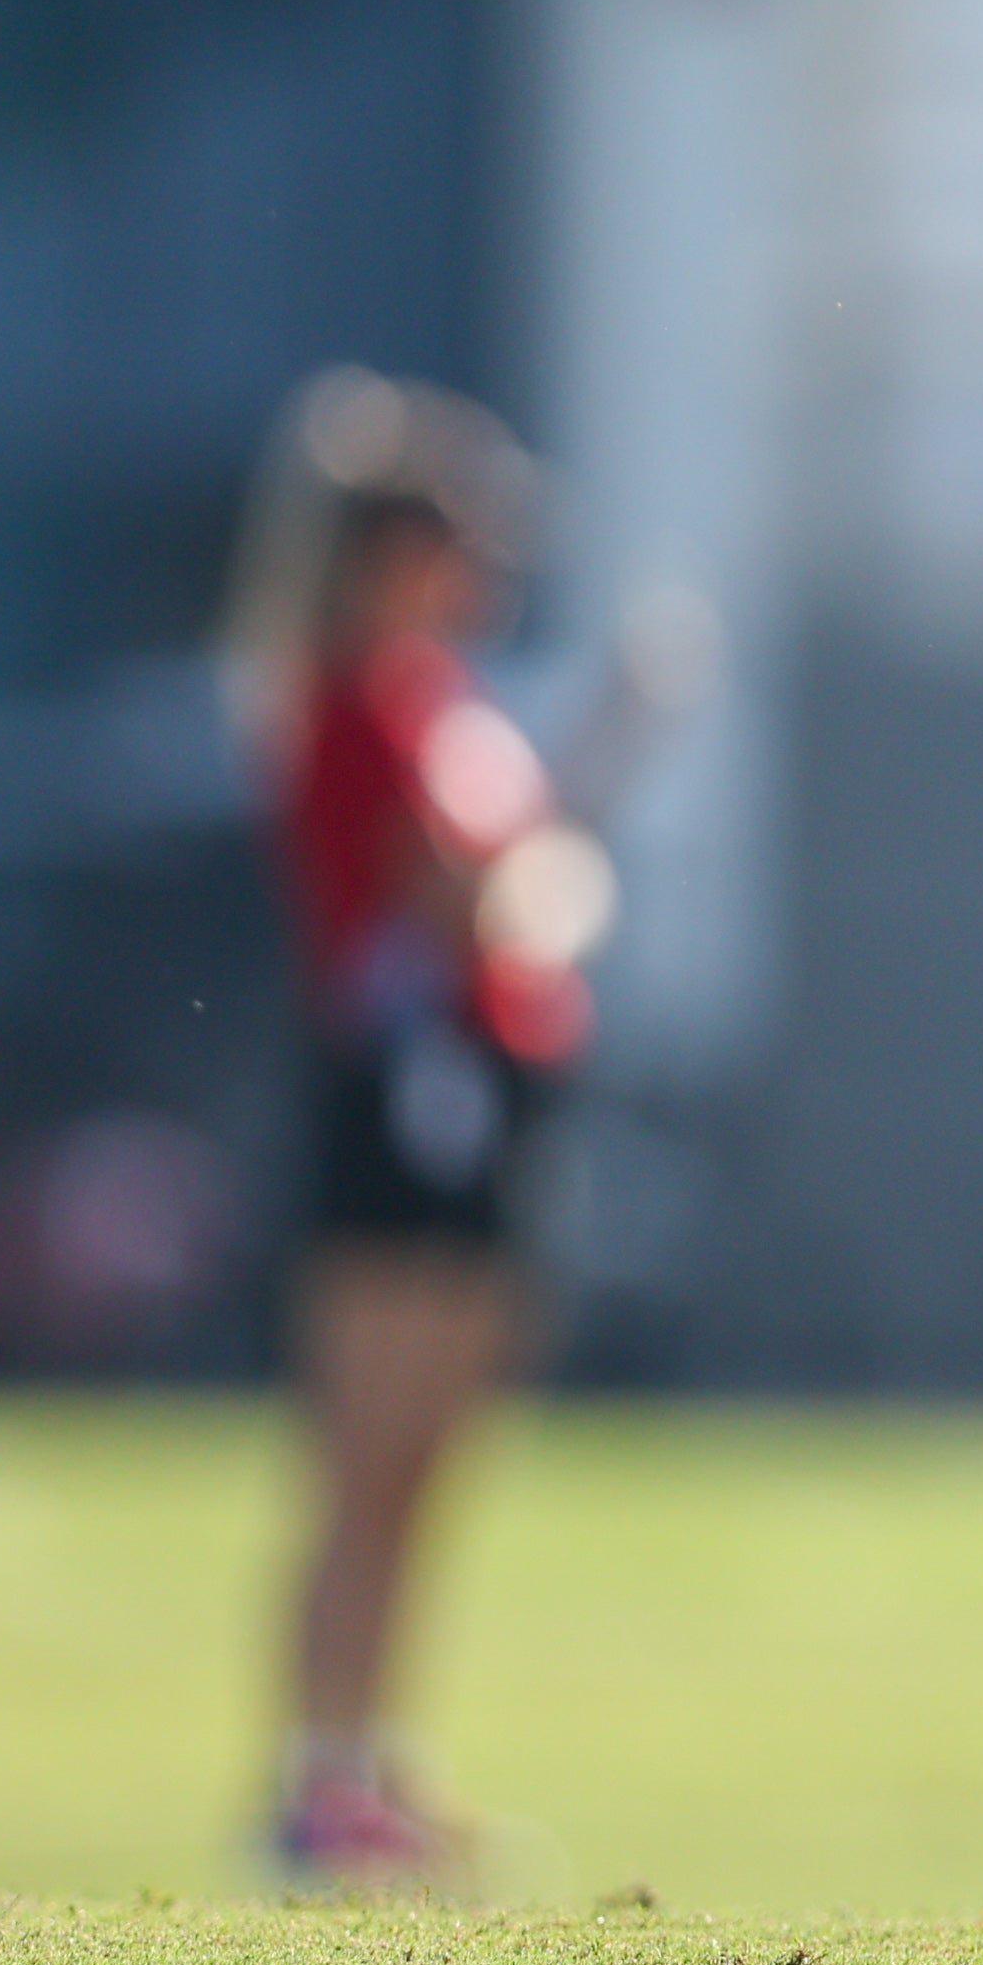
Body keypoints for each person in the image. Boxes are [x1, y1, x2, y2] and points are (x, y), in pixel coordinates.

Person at [223, 370, 661, 1885]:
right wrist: (600, 763)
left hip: (485, 1101)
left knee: (429, 1459)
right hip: (406, 1100)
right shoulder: (359, 700)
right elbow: (475, 902)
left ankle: (371, 1760)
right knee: (367, 1449)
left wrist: (553, 866)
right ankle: (312, 1771)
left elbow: (535, 896)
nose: (482, 567)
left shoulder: (442, 700)